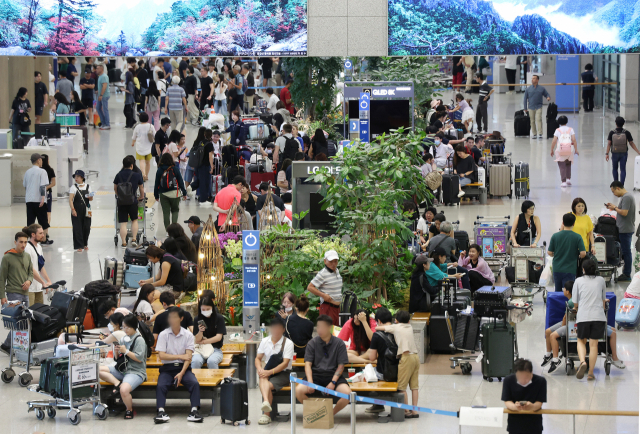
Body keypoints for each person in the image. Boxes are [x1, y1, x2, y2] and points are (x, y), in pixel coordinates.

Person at [154, 306, 203, 424]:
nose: (171, 320)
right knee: (161, 385)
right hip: (167, 368)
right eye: (170, 317)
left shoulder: (188, 335)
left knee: (194, 383)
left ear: (181, 318)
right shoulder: (163, 334)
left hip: (184, 368)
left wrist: (181, 373)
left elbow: (189, 357)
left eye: (174, 317)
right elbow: (162, 356)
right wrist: (180, 356)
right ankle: (161, 411)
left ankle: (194, 410)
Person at [296, 315, 351, 415]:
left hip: (333, 376)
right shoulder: (312, 343)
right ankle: (315, 412)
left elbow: (341, 366)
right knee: (298, 390)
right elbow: (307, 365)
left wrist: (333, 382)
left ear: (330, 327)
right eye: (318, 326)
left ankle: (330, 414)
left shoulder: (339, 344)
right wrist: (310, 382)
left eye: (323, 326)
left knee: (348, 394)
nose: (320, 329)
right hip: (315, 376)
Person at [98, 314, 147, 420]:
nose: (124, 330)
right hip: (123, 369)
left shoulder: (139, 340)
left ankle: (129, 409)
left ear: (134, 326)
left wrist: (126, 351)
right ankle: (117, 383)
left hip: (135, 372)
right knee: (97, 370)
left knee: (124, 390)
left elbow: (139, 358)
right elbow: (118, 359)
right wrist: (116, 352)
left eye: (127, 327)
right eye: (123, 327)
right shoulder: (124, 338)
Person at [375, 311, 420, 418]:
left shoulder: (396, 327)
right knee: (414, 386)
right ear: (409, 321)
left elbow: (378, 329)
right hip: (416, 357)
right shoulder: (410, 327)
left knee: (402, 387)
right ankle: (415, 411)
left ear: (396, 320)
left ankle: (406, 410)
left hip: (406, 357)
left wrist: (385, 325)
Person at [572, 259, 608, 380]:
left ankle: (582, 362)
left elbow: (575, 302)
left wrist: (577, 307)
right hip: (598, 316)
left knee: (581, 341)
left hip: (583, 316)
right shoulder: (601, 280)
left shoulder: (578, 281)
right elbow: (603, 300)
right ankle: (591, 373)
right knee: (594, 345)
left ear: (583, 270)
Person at [255, 317, 294, 425]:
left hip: (284, 372)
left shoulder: (288, 343)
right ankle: (267, 403)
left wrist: (269, 372)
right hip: (267, 370)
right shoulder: (265, 341)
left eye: (278, 328)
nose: (275, 331)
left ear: (283, 330)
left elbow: (285, 363)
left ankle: (266, 414)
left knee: (266, 384)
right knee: (263, 378)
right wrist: (260, 369)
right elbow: (258, 358)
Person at [501, 359, 547, 434]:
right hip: (514, 424)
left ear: (531, 372)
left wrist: (532, 407)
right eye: (520, 377)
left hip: (534, 424)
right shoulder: (508, 380)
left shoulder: (541, 381)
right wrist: (514, 407)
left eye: (526, 377)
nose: (523, 380)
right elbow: (507, 400)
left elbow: (539, 402)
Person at [548, 213, 586, 292]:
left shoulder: (555, 236)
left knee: (557, 292)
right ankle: (567, 304)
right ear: (574, 223)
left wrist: (556, 254)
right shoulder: (577, 236)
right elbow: (583, 254)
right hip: (570, 269)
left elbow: (549, 252)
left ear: (563, 222)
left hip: (557, 268)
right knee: (569, 292)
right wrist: (577, 255)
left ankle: (558, 304)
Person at [606, 180, 635, 281]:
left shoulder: (627, 197)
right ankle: (625, 272)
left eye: (613, 191)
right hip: (624, 229)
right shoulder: (626, 197)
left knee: (626, 252)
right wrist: (614, 207)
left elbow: (624, 213)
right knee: (624, 251)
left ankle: (627, 274)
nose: (614, 193)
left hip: (625, 230)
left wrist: (615, 208)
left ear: (618, 188)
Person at [113, 156, 145, 248]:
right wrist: (141, 197)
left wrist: (119, 196)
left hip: (121, 202)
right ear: (132, 165)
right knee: (134, 220)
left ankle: (123, 242)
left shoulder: (118, 175)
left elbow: (115, 188)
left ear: (123, 165)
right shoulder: (136, 175)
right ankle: (134, 239)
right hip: (133, 201)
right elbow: (141, 187)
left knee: (123, 222)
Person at [307, 250, 343, 325]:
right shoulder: (322, 273)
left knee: (335, 332)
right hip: (328, 307)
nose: (333, 264)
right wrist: (323, 295)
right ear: (325, 261)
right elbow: (310, 287)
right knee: (327, 333)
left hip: (337, 308)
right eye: (331, 261)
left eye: (335, 261)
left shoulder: (337, 271)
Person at [192, 295, 226, 369]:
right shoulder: (197, 319)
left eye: (208, 309)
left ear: (212, 308)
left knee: (212, 361)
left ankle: (216, 380)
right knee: (195, 361)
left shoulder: (219, 318)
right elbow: (197, 340)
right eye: (203, 309)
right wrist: (200, 331)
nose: (206, 311)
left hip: (215, 349)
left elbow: (218, 338)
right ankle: (194, 380)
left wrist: (204, 341)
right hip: (201, 349)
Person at [154, 153, 187, 230]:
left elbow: (156, 184)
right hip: (175, 193)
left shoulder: (159, 170)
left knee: (166, 213)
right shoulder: (175, 169)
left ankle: (168, 231)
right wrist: (184, 193)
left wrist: (156, 195)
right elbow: (180, 182)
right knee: (175, 210)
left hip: (163, 194)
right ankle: (174, 229)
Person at [606, 116, 640, 185]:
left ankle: (616, 185)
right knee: (623, 169)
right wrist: (638, 152)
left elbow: (609, 144)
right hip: (623, 153)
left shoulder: (612, 132)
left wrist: (606, 153)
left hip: (614, 153)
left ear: (616, 123)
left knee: (615, 169)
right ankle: (622, 185)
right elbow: (631, 143)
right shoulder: (626, 132)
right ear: (623, 124)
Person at [23, 224, 51, 306]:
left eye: (43, 233)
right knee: (30, 312)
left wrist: (48, 281)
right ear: (33, 234)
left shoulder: (39, 247)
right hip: (29, 288)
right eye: (40, 233)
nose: (43, 235)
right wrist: (42, 282)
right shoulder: (27, 248)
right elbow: (30, 268)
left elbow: (40, 267)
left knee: (39, 312)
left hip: (38, 287)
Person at [24, 153, 51, 237]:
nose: (42, 161)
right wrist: (43, 198)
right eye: (41, 159)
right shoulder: (42, 171)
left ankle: (29, 240)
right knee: (43, 222)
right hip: (39, 201)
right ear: (38, 160)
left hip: (29, 200)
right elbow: (43, 186)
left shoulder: (27, 172)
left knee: (30, 222)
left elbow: (25, 186)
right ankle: (44, 239)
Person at [282, 294, 314, 358]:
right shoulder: (310, 324)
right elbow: (309, 338)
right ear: (307, 309)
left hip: (289, 351)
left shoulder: (288, 319)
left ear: (296, 309)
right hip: (303, 353)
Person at [550, 115, 578, 187]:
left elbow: (554, 141)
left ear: (559, 122)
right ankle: (568, 179)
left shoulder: (557, 130)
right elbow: (574, 140)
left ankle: (563, 181)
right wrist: (576, 149)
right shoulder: (570, 129)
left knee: (562, 165)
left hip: (560, 150)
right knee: (568, 164)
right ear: (567, 121)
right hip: (569, 149)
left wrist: (552, 149)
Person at [69, 170, 93, 252]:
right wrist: (73, 209)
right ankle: (79, 246)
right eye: (75, 177)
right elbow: (71, 200)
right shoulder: (73, 187)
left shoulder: (88, 186)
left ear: (82, 178)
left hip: (86, 209)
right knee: (77, 227)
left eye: (78, 177)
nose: (76, 178)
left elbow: (91, 199)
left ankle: (85, 244)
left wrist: (90, 196)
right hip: (76, 209)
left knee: (86, 227)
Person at [523, 74, 551, 139]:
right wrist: (525, 108)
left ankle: (540, 133)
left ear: (537, 80)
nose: (532, 80)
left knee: (539, 119)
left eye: (534, 78)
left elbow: (546, 94)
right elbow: (525, 99)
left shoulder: (541, 88)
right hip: (531, 107)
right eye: (532, 78)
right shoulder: (528, 89)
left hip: (539, 106)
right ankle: (534, 133)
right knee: (532, 121)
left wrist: (548, 97)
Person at [40, 155, 55, 245]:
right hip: (48, 194)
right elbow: (53, 183)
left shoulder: (39, 170)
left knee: (42, 214)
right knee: (48, 213)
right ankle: (46, 233)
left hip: (39, 195)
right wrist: (46, 188)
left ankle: (42, 233)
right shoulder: (50, 170)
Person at [96, 63, 111, 130]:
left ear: (101, 69)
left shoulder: (104, 76)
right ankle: (103, 123)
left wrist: (101, 95)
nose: (96, 69)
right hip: (100, 95)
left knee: (105, 110)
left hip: (104, 96)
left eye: (97, 68)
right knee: (98, 108)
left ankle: (107, 124)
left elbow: (104, 86)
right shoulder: (100, 76)